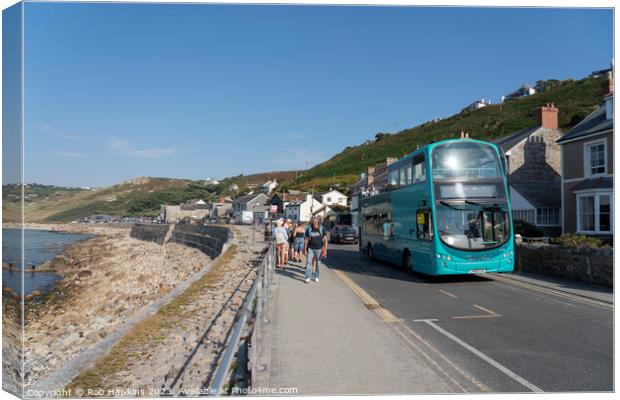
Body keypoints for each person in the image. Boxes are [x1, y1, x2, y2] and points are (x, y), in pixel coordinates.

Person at [304, 218, 328, 283]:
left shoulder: (321, 229)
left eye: (316, 222)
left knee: (318, 263)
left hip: (319, 249)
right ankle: (308, 277)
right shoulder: (309, 229)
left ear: (318, 222)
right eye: (314, 222)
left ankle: (316, 276)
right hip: (310, 248)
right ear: (312, 222)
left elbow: (325, 240)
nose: (315, 223)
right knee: (309, 262)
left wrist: (325, 250)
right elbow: (306, 240)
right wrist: (305, 249)